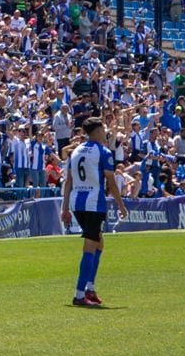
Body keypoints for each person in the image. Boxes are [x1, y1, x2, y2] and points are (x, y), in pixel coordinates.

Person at [61, 118, 126, 307]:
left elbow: (69, 181)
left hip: (77, 202)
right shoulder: (103, 152)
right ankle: (79, 294)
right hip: (93, 203)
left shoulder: (75, 152)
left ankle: (90, 288)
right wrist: (121, 205)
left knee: (99, 243)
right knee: (90, 246)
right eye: (103, 129)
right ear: (97, 132)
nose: (105, 133)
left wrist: (64, 208)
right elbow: (111, 183)